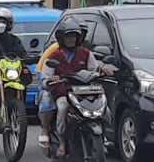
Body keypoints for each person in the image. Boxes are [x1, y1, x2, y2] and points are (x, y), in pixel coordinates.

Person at [41, 16, 115, 157]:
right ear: (62, 38)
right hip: (64, 93)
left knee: (105, 108)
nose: (71, 39)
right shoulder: (54, 56)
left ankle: (103, 137)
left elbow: (95, 68)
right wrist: (52, 79)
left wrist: (103, 69)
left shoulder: (85, 53)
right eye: (68, 36)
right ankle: (62, 142)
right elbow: (45, 78)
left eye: (74, 36)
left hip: (86, 91)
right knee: (62, 108)